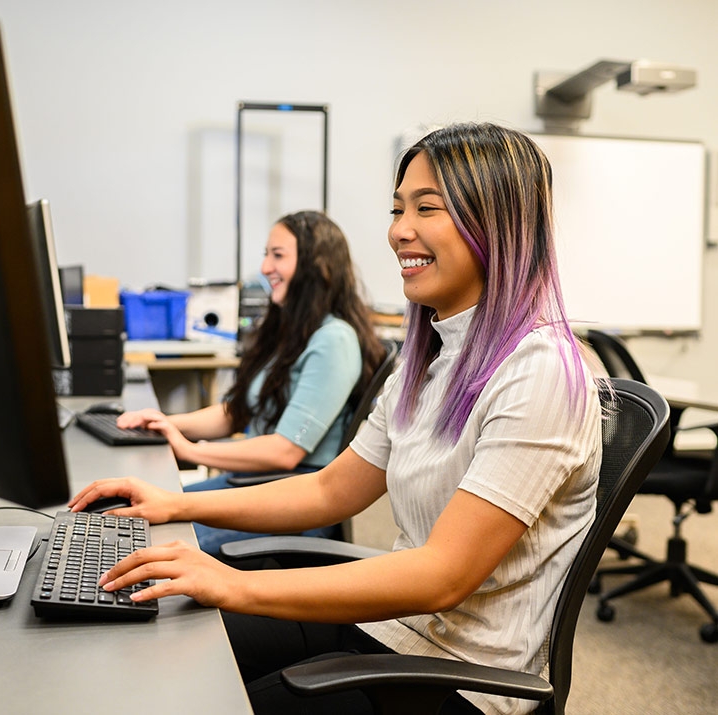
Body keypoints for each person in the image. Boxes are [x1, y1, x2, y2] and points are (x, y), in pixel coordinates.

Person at [69, 122, 604, 715]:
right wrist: (176, 503)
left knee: (203, 691)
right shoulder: (430, 357)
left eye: (427, 208)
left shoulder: (541, 372)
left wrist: (236, 584)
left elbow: (443, 576)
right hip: (395, 630)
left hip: (459, 682)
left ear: (498, 224)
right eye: (397, 209)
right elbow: (331, 488)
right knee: (166, 643)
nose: (399, 231)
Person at [116, 210, 385, 554]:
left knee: (144, 536)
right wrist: (167, 423)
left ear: (316, 265)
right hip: (258, 485)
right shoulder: (293, 331)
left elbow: (287, 450)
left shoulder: (334, 340)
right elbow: (238, 412)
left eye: (278, 255)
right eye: (265, 255)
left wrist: (193, 450)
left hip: (294, 505)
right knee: (132, 514)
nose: (265, 267)